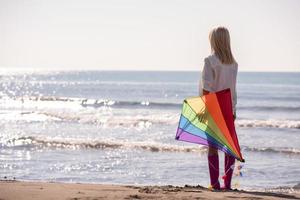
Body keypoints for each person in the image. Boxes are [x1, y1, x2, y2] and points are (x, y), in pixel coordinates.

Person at [201, 27, 238, 190]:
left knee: (212, 146)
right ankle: (227, 184)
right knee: (229, 146)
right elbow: (233, 89)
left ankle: (215, 184)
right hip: (228, 107)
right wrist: (234, 110)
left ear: (214, 41)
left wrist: (204, 110)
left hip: (213, 106)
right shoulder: (233, 64)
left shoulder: (209, 61)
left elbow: (206, 88)